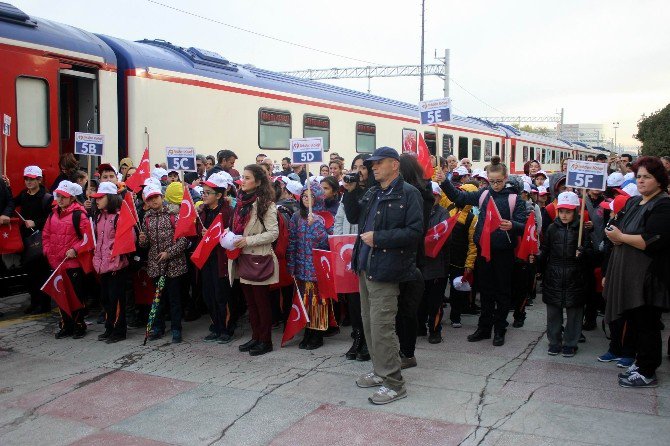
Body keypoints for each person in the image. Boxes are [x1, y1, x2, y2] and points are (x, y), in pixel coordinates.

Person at [343, 147, 423, 405]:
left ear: (394, 165)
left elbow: (414, 232)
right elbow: (354, 216)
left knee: (382, 328)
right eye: (371, 164)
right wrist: (351, 191)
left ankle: (394, 384)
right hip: (366, 266)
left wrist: (380, 239)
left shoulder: (409, 194)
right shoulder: (373, 192)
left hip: (387, 269)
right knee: (369, 325)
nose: (373, 167)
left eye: (378, 163)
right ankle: (380, 372)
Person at [438, 156, 526, 346]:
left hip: (504, 252)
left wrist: (512, 225)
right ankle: (484, 328)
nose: (495, 185)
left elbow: (524, 225)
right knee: (485, 291)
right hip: (484, 251)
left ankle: (500, 329)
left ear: (506, 178)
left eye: (499, 181)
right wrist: (444, 181)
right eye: (492, 181)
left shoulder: (514, 199)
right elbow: (459, 197)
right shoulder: (484, 194)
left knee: (502, 292)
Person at [603, 156, 670, 388]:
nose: (641, 181)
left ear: (659, 180)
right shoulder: (634, 202)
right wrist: (613, 232)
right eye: (639, 176)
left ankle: (648, 370)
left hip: (647, 276)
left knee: (647, 323)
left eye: (647, 177)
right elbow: (618, 225)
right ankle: (641, 363)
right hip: (627, 272)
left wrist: (620, 237)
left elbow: (653, 240)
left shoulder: (663, 205)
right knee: (634, 321)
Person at [533, 192, 592, 357]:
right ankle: (554, 341)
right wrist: (538, 261)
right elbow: (545, 249)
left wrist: (584, 252)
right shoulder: (552, 228)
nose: (564, 215)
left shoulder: (582, 230)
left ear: (575, 212)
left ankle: (571, 342)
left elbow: (591, 254)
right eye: (561, 211)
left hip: (575, 275)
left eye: (568, 211)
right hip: (554, 274)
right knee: (553, 312)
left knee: (574, 312)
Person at [231, 164, 279, 356]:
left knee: (261, 302)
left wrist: (248, 240)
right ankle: (256, 337)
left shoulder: (266, 204)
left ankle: (265, 340)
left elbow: (273, 233)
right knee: (250, 303)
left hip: (259, 257)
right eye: (243, 176)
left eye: (247, 177)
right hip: (244, 257)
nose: (243, 180)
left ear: (258, 182)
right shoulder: (241, 202)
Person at [138, 184, 190, 344]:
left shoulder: (174, 214)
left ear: (162, 197)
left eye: (156, 197)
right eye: (150, 198)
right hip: (156, 264)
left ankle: (176, 329)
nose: (153, 201)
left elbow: (184, 240)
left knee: (174, 299)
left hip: (174, 265)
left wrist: (169, 253)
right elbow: (146, 245)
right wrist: (142, 240)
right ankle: (158, 327)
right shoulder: (146, 219)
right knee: (157, 299)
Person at [42, 180, 91, 339]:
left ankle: (78, 325)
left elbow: (87, 238)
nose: (60, 199)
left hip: (72, 264)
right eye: (59, 196)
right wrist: (49, 252)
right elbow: (46, 235)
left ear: (72, 198)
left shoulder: (79, 215)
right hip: (57, 264)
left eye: (64, 196)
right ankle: (66, 325)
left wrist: (75, 250)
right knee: (61, 296)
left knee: (75, 296)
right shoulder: (52, 214)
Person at [335, 154, 371, 362]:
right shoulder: (348, 193)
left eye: (362, 167)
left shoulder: (373, 192)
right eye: (354, 167)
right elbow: (341, 219)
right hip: (349, 251)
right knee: (354, 299)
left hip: (367, 249)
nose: (358, 171)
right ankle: (357, 337)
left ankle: (367, 340)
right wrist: (340, 243)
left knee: (367, 300)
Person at [287, 183, 330, 350]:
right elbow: (292, 242)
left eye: (310, 196)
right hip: (300, 267)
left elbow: (326, 243)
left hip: (317, 268)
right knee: (304, 300)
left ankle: (317, 333)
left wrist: (317, 225)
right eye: (304, 196)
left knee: (317, 301)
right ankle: (307, 331)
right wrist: (291, 265)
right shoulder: (296, 216)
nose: (306, 199)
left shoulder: (324, 217)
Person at [91, 182, 132, 344]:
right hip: (102, 266)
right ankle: (109, 328)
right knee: (106, 298)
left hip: (116, 266)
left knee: (117, 300)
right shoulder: (99, 216)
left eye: (100, 197)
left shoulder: (119, 217)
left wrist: (116, 258)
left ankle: (119, 330)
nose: (97, 201)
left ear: (110, 198)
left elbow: (129, 240)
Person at [198, 172, 236, 343]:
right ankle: (216, 326)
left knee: (222, 295)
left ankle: (226, 328)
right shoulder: (203, 211)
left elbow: (233, 236)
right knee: (208, 294)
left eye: (208, 193)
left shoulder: (228, 212)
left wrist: (215, 235)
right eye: (203, 192)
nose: (204, 196)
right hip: (206, 259)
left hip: (221, 260)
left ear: (219, 195)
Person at [14, 166, 52, 314]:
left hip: (41, 240)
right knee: (30, 273)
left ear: (39, 180)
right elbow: (11, 202)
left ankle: (44, 304)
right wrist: (7, 185)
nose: (28, 182)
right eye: (26, 179)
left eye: (32, 179)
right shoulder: (24, 195)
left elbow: (51, 218)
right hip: (27, 240)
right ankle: (34, 302)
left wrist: (35, 222)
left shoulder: (46, 197)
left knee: (42, 273)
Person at [417, 182, 450, 344]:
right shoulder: (418, 212)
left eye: (435, 196)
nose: (432, 199)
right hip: (420, 264)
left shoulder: (444, 214)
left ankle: (435, 330)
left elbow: (443, 236)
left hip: (437, 265)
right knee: (420, 299)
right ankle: (420, 326)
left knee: (435, 302)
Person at [446, 184, 478, 327]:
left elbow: (473, 244)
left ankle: (455, 316)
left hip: (459, 259)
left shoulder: (472, 219)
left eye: (464, 193)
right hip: (444, 256)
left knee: (456, 288)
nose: (460, 195)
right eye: (459, 191)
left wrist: (469, 264)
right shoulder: (449, 209)